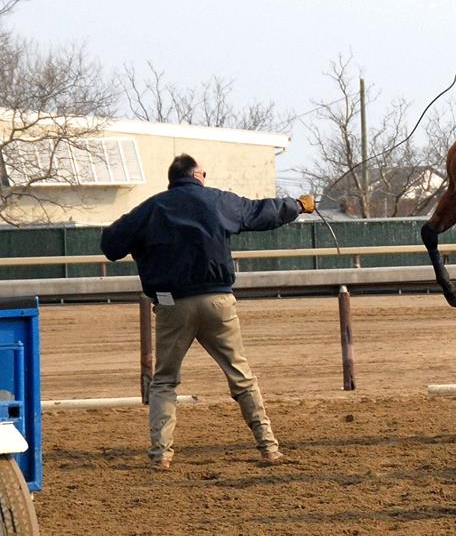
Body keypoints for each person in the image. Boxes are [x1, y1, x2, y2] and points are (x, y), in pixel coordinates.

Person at [100, 154, 316, 471]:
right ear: (198, 175)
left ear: (172, 179)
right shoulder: (217, 200)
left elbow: (111, 244)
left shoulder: (153, 207)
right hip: (218, 302)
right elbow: (261, 212)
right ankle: (268, 447)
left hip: (172, 304)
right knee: (242, 379)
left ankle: (162, 455)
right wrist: (297, 205)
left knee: (164, 383)